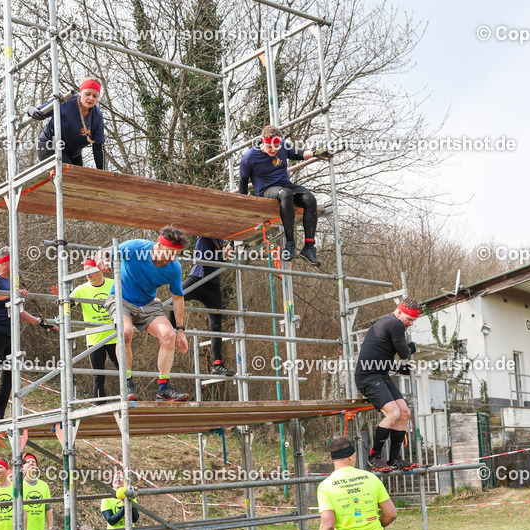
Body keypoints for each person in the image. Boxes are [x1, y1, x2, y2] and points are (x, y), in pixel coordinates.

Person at [99, 225, 191, 402]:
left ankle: (163, 389)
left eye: (176, 255)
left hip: (148, 304)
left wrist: (180, 330)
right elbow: (104, 252)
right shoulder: (136, 247)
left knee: (169, 336)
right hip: (121, 299)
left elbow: (178, 297)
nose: (172, 258)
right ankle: (127, 384)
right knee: (125, 332)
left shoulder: (174, 268)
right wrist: (103, 259)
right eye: (169, 253)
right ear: (159, 245)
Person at [0, 246, 54, 423]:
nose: (16, 266)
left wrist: (39, 321)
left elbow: (19, 312)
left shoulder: (10, 284)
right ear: (5, 261)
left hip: (11, 334)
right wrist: (14, 292)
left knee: (9, 376)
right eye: (14, 261)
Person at [237, 124, 332, 265]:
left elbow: (296, 154)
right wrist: (244, 206)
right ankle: (290, 243)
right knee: (286, 194)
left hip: (285, 185)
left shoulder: (282, 146)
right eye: (270, 147)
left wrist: (315, 153)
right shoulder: (249, 157)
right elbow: (243, 183)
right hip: (266, 190)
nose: (273, 151)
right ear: (263, 142)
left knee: (310, 199)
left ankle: (308, 247)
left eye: (276, 147)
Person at [355, 298, 422, 473]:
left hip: (380, 374)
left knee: (405, 413)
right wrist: (411, 348)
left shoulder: (388, 323)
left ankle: (394, 458)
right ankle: (375, 456)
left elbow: (378, 356)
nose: (411, 324)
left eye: (413, 320)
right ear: (399, 312)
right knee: (393, 413)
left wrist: (400, 369)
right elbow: (404, 353)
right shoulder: (395, 323)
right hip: (368, 377)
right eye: (409, 319)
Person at [52, 258, 119, 399]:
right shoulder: (81, 289)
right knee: (98, 376)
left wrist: (150, 300)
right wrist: (62, 298)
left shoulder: (114, 284)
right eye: (85, 271)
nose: (87, 274)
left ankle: (130, 398)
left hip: (114, 336)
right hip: (94, 339)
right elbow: (68, 305)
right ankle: (99, 407)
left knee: (124, 370)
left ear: (99, 269)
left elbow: (132, 298)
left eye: (90, 271)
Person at [168, 236, 236, 377]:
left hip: (213, 285)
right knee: (172, 300)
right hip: (198, 278)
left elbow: (221, 259)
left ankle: (217, 364)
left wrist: (231, 245)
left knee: (216, 325)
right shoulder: (204, 236)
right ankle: (169, 330)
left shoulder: (219, 239)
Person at [29, 79, 106, 169]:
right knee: (68, 172)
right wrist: (32, 111)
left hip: (73, 153)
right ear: (81, 92)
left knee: (80, 176)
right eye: (87, 94)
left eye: (95, 96)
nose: (91, 98)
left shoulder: (97, 116)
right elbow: (38, 112)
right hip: (50, 146)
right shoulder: (66, 102)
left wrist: (102, 172)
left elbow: (98, 146)